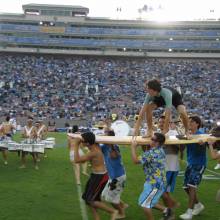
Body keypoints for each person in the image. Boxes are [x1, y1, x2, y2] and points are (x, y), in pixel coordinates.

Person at [69, 132, 118, 220]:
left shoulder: (93, 152)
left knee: (91, 200)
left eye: (82, 141)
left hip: (100, 177)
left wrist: (76, 145)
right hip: (95, 176)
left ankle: (113, 211)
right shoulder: (95, 144)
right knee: (88, 199)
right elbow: (92, 137)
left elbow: (76, 160)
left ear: (87, 143)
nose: (81, 142)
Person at [131, 132, 173, 220]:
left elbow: (135, 161)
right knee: (144, 201)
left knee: (145, 205)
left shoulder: (152, 153)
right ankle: (167, 211)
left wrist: (133, 147)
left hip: (155, 183)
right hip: (155, 181)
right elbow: (147, 155)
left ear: (157, 143)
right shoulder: (160, 150)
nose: (151, 140)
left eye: (153, 139)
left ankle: (167, 212)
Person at [179, 116, 206, 220]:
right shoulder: (189, 135)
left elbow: (204, 147)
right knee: (186, 187)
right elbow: (182, 149)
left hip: (199, 164)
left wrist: (201, 143)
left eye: (192, 122)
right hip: (190, 163)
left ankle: (189, 213)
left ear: (197, 124)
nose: (189, 123)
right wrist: (181, 140)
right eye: (189, 122)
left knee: (192, 186)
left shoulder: (201, 135)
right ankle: (198, 205)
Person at [100, 130, 128, 219]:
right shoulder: (104, 146)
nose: (103, 137)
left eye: (105, 136)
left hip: (118, 177)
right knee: (104, 195)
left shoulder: (115, 147)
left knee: (110, 198)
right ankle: (123, 205)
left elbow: (114, 156)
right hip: (113, 177)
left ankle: (121, 213)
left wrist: (111, 143)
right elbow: (95, 147)